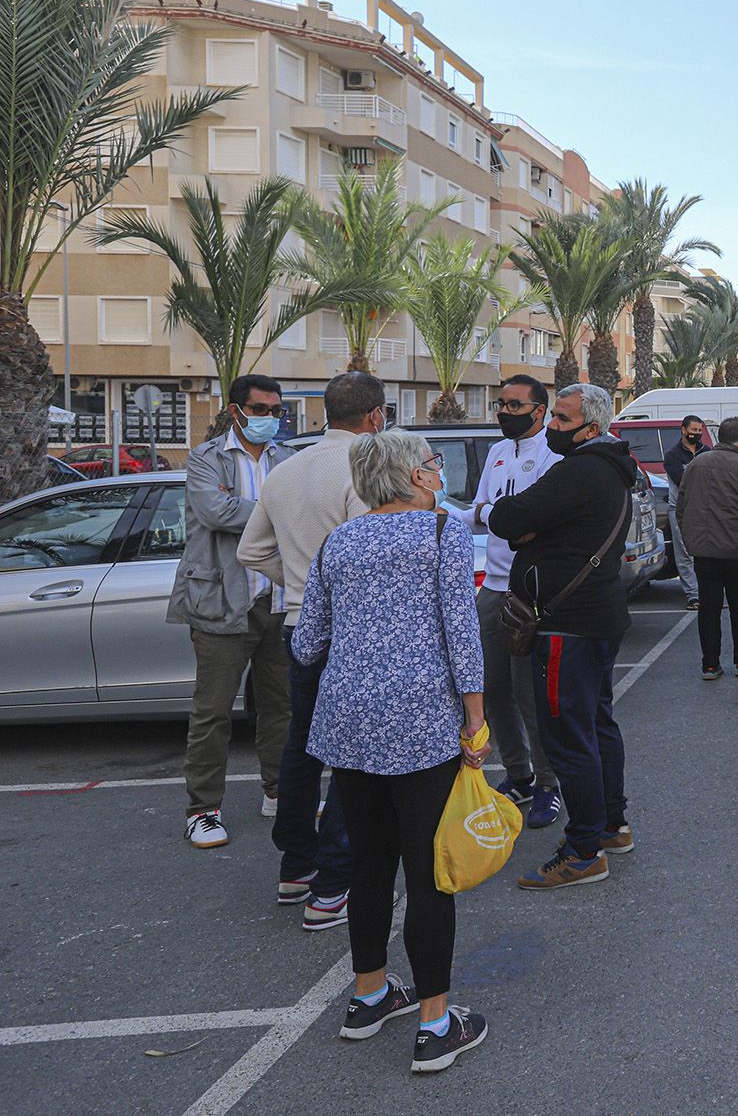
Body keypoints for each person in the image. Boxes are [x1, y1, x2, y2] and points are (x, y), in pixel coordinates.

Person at [290, 430, 488, 1073]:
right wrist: (476, 720)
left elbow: (305, 643)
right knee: (431, 870)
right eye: (432, 463)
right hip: (422, 717)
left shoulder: (338, 541)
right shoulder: (440, 534)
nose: (437, 471)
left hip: (349, 720)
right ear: (414, 476)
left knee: (370, 864)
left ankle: (369, 995)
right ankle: (435, 1024)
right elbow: (461, 630)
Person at [238, 371, 383, 931]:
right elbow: (367, 552)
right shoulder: (365, 470)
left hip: (298, 626)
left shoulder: (286, 470)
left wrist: (299, 582)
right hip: (353, 631)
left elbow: (252, 552)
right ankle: (333, 882)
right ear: (374, 416)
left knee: (303, 747)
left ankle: (295, 866)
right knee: (353, 756)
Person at [489, 384, 639, 889]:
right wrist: (528, 526)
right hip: (596, 617)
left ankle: (583, 851)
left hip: (566, 623)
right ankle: (611, 825)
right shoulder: (611, 467)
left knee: (568, 738)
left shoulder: (579, 471)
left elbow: (508, 516)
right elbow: (519, 524)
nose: (550, 426)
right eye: (552, 416)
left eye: (561, 419)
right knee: (596, 726)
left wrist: (528, 526)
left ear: (591, 429)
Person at [173, 374, 296, 849]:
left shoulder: (286, 460)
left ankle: (279, 790)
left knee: (280, 707)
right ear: (236, 409)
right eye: (260, 409)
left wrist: (256, 507)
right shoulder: (208, 458)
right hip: (222, 601)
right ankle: (203, 809)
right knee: (213, 712)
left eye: (275, 410)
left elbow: (243, 510)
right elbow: (214, 513)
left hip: (278, 600)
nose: (269, 418)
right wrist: (278, 510)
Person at [464, 375, 562, 830]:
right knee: (491, 687)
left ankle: (548, 783)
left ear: (538, 411)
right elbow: (483, 512)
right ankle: (519, 775)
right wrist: (493, 516)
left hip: (530, 591)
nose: (503, 411)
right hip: (493, 588)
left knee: (529, 694)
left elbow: (536, 524)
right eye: (500, 403)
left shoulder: (553, 454)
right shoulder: (498, 452)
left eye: (513, 405)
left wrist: (499, 517)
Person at [679, 416, 738, 681]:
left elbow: (681, 507)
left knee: (709, 609)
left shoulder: (695, 465)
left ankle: (710, 665)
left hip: (704, 552)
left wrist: (691, 540)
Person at [661, 415, 706, 611]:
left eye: (699, 431)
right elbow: (683, 482)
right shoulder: (673, 456)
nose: (696, 434)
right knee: (685, 554)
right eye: (693, 430)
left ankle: (708, 592)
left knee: (705, 553)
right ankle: (693, 595)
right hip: (681, 510)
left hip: (705, 510)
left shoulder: (707, 452)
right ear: (683, 429)